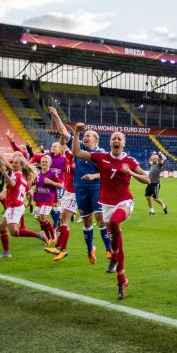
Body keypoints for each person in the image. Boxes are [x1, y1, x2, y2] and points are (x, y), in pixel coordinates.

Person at [71, 123, 150, 300]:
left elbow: (146, 178)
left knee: (115, 223)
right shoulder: (101, 157)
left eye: (119, 139)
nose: (116, 140)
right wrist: (76, 132)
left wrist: (131, 172)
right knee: (116, 238)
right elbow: (77, 153)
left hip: (124, 201)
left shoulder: (130, 160)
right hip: (106, 204)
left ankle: (114, 256)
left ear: (124, 143)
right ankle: (122, 280)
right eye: (113, 138)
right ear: (110, 142)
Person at [50, 108, 113, 265]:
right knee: (86, 221)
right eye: (84, 136)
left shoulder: (101, 154)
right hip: (80, 190)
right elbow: (65, 134)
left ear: (95, 140)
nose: (85, 138)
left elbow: (105, 174)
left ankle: (108, 249)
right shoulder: (79, 149)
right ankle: (90, 249)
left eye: (88, 136)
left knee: (100, 219)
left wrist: (93, 176)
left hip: (96, 189)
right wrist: (56, 115)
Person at [0, 153, 47, 258]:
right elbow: (30, 193)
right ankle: (6, 252)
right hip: (14, 206)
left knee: (14, 232)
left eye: (16, 163)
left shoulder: (16, 175)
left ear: (21, 166)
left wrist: (4, 174)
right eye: (13, 162)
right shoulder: (22, 177)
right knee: (2, 228)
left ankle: (38, 235)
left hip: (14, 206)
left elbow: (12, 184)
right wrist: (28, 203)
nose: (13, 164)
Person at [44, 137, 79, 261]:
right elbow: (63, 142)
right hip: (68, 192)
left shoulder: (83, 159)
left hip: (76, 192)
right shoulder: (69, 155)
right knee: (62, 220)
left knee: (64, 218)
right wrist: (56, 117)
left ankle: (60, 247)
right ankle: (62, 249)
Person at [32, 155, 62, 245]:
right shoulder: (38, 173)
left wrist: (50, 182)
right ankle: (47, 238)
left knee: (43, 217)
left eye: (46, 162)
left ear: (50, 163)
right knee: (41, 220)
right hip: (39, 198)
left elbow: (60, 185)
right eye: (43, 161)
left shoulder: (53, 174)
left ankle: (53, 232)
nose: (44, 163)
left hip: (48, 199)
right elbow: (35, 183)